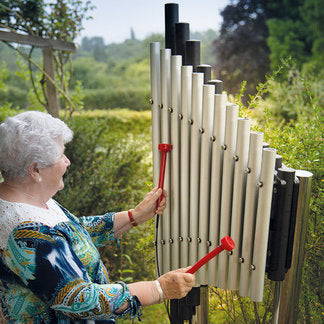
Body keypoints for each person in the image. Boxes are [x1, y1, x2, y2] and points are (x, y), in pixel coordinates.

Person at [0, 111, 195, 323]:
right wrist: (158, 289)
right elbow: (80, 300)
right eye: (60, 156)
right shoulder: (25, 230)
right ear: (35, 170)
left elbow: (73, 235)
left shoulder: (27, 199)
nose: (68, 161)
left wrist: (134, 216)